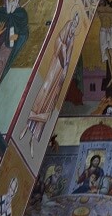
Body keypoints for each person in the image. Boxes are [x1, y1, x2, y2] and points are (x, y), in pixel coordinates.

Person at [21, 13, 80, 145]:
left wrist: (65, 67)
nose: (74, 28)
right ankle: (29, 121)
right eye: (73, 25)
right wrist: (63, 51)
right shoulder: (63, 39)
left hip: (60, 74)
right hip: (55, 68)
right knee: (45, 90)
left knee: (52, 98)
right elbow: (59, 45)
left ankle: (36, 132)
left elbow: (68, 59)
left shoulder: (73, 41)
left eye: (76, 26)